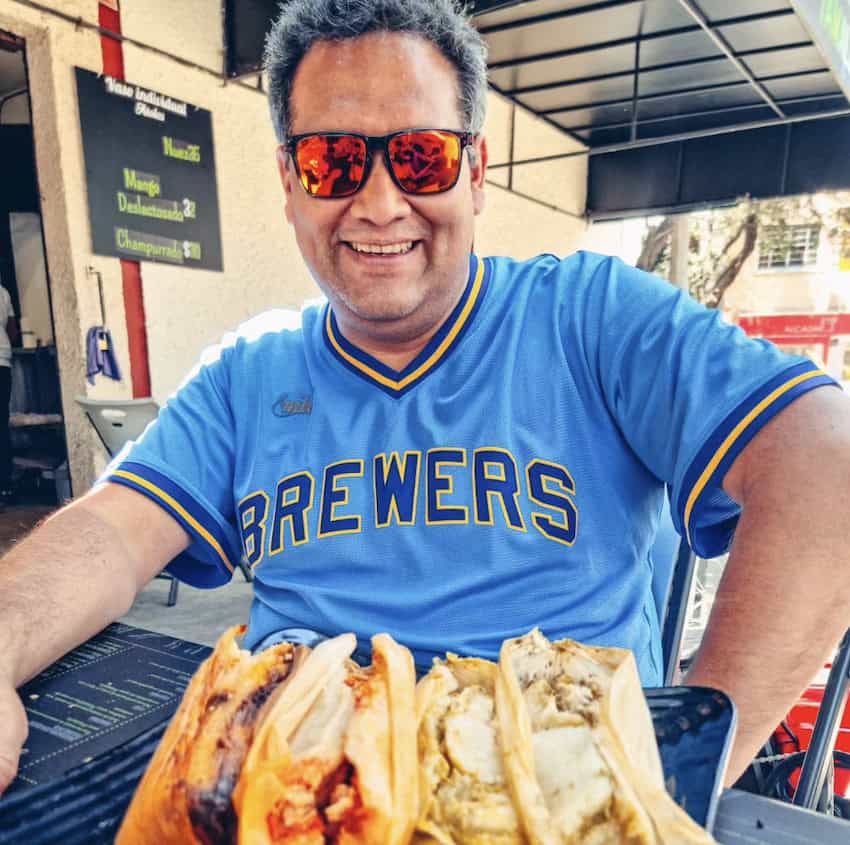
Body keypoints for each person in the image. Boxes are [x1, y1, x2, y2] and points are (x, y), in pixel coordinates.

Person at [1, 0, 850, 798]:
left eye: (421, 156)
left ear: (474, 172)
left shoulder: (589, 319)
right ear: (291, 183)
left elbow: (826, 465)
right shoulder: (248, 373)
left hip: (542, 799)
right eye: (332, 160)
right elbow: (109, 533)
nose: (378, 204)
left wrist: (678, 779)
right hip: (295, 799)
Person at [0, 278, 18, 502]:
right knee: (1, 426)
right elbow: (12, 330)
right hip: (3, 362)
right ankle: (5, 486)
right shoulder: (3, 292)